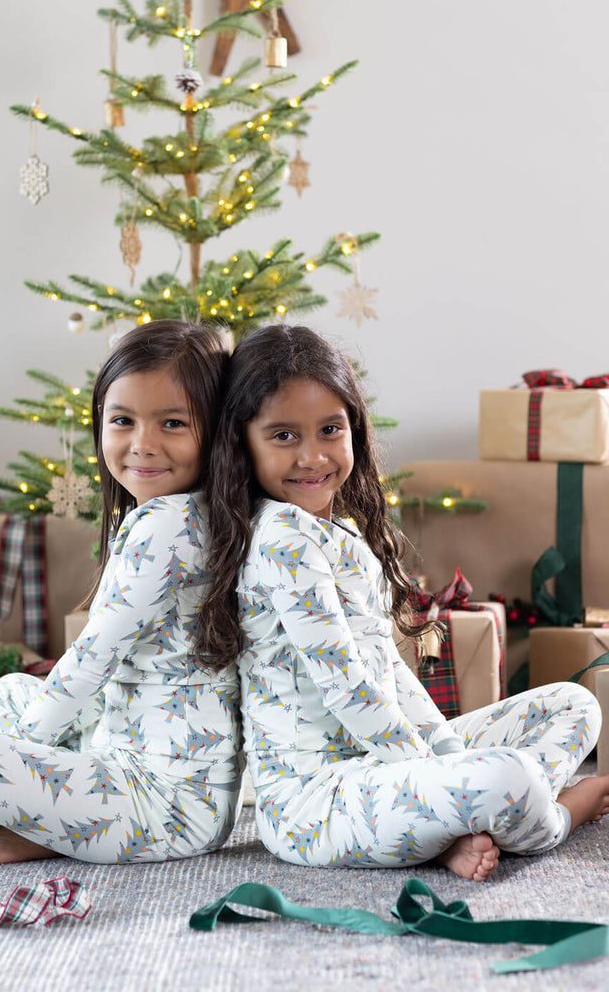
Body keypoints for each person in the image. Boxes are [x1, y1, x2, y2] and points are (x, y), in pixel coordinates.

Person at [203, 323, 608, 881]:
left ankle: (446, 827)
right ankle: (557, 816)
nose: (313, 456)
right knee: (507, 779)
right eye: (283, 436)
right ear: (242, 442)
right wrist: (438, 775)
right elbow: (349, 687)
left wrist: (444, 762)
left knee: (572, 705)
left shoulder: (338, 532)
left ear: (354, 430)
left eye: (329, 430)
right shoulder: (282, 539)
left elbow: (389, 670)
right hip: (315, 804)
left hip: (386, 765)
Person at [0, 320, 244, 867]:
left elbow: (91, 661)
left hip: (165, 805)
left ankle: (38, 829)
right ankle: (47, 824)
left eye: (173, 422)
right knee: (7, 694)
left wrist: (20, 749)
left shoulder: (169, 526)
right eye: (122, 421)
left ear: (214, 432)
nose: (143, 444)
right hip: (124, 759)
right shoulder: (180, 515)